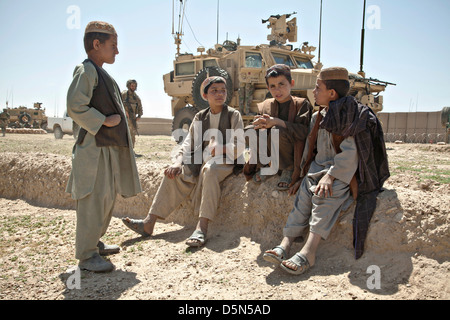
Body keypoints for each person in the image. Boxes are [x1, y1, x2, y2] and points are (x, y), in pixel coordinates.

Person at [263, 67, 389, 275]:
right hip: (316, 170)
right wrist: (300, 177)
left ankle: (308, 252)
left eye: (317, 87)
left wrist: (330, 176)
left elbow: (352, 153)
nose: (313, 91)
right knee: (303, 196)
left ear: (331, 93)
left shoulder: (352, 115)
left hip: (342, 173)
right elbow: (310, 152)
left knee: (324, 196)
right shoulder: (318, 117)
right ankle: (285, 244)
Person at [122, 76, 245, 247]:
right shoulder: (200, 117)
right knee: (173, 174)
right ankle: (149, 222)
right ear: (205, 95)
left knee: (209, 169)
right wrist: (177, 162)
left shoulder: (233, 115)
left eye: (223, 90)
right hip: (203, 159)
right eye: (214, 91)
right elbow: (187, 144)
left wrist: (221, 148)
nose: (219, 94)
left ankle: (201, 227)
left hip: (226, 160)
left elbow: (240, 145)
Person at [66, 21, 142, 272]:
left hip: (107, 148)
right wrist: (104, 121)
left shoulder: (102, 72)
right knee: (93, 198)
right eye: (113, 46)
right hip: (93, 148)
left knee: (107, 196)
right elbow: (75, 106)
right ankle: (86, 256)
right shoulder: (86, 71)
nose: (117, 52)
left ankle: (94, 243)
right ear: (96, 44)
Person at [243, 64, 312, 190]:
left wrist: (277, 122)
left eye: (281, 84)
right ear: (268, 88)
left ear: (291, 83)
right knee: (250, 132)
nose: (277, 90)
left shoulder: (301, 104)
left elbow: (303, 132)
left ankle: (288, 169)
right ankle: (266, 167)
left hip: (291, 150)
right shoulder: (265, 105)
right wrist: (260, 124)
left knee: (277, 131)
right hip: (271, 150)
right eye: (273, 86)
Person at [121, 79, 143, 148]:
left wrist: (139, 116)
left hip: (132, 118)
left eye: (134, 86)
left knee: (132, 134)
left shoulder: (136, 98)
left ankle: (131, 149)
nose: (133, 87)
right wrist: (125, 112)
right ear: (128, 86)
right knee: (123, 134)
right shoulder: (124, 95)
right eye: (132, 85)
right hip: (123, 118)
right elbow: (119, 104)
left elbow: (140, 107)